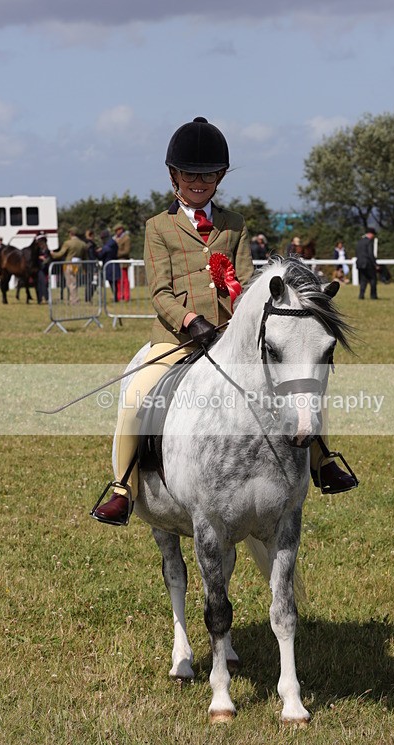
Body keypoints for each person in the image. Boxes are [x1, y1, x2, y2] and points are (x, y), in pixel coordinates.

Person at [92, 116, 254, 524]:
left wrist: (239, 321)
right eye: (190, 174)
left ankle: (321, 460)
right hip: (176, 339)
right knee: (136, 398)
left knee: (290, 381)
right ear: (173, 175)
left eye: (209, 175)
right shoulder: (158, 227)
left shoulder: (235, 224)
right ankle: (122, 488)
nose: (199, 182)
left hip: (229, 336)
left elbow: (248, 283)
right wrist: (190, 321)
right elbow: (159, 292)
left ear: (220, 177)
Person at [51, 227, 88, 305]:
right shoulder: (83, 244)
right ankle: (73, 299)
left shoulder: (68, 243)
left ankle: (74, 300)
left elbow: (60, 254)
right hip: (79, 265)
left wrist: (53, 254)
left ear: (71, 233)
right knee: (75, 283)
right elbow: (85, 257)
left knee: (71, 283)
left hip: (69, 264)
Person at [356, 227, 379, 299]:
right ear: (371, 234)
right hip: (368, 264)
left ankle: (361, 295)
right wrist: (375, 264)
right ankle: (373, 295)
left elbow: (357, 253)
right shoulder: (369, 242)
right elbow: (370, 254)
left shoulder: (359, 242)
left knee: (363, 280)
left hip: (360, 264)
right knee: (373, 279)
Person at [97, 230, 119, 300]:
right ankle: (115, 296)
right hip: (113, 264)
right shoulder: (113, 242)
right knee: (113, 282)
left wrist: (99, 252)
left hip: (109, 265)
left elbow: (102, 254)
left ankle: (115, 297)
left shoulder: (108, 244)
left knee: (112, 282)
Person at [113, 223, 131, 301]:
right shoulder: (115, 238)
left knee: (124, 280)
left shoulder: (126, 238)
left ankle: (126, 296)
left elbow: (126, 251)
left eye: (117, 230)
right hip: (117, 262)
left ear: (121, 229)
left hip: (123, 261)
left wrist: (116, 254)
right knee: (118, 281)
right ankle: (119, 296)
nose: (116, 232)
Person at [83, 229, 98, 302]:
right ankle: (88, 297)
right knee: (94, 281)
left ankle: (87, 297)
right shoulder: (91, 245)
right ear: (91, 235)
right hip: (91, 264)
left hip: (86, 264)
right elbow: (92, 255)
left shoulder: (84, 244)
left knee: (89, 281)